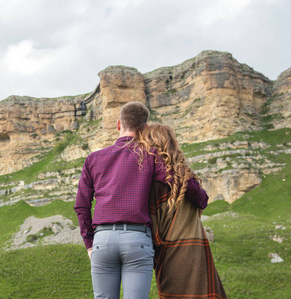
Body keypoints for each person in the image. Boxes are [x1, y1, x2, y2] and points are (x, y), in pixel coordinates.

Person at [74, 102, 209, 299]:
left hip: (103, 240)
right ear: (144, 128)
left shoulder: (93, 159)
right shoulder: (151, 156)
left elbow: (82, 205)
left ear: (119, 124)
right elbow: (184, 184)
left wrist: (89, 243)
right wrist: (201, 198)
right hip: (137, 240)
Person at [138, 124, 227, 299]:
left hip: (170, 253)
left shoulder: (149, 182)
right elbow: (203, 200)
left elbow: (151, 224)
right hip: (197, 250)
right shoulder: (185, 178)